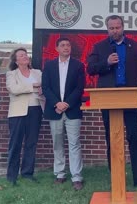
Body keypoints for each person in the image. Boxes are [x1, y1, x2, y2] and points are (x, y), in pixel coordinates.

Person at [87, 15, 137, 190]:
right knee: (112, 139)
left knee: (135, 138)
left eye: (117, 27)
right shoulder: (99, 47)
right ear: (107, 29)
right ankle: (115, 177)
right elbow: (90, 69)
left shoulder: (135, 46)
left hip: (130, 97)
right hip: (108, 98)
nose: (114, 30)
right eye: (111, 28)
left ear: (123, 27)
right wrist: (106, 63)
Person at [42, 38, 86, 191]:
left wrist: (66, 103)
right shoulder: (48, 65)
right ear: (57, 48)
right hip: (55, 111)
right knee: (57, 143)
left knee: (74, 144)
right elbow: (45, 87)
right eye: (63, 45)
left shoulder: (79, 66)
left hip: (72, 110)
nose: (66, 47)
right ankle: (60, 174)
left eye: (68, 45)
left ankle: (77, 177)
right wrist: (57, 103)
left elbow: (80, 88)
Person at [5, 47, 45, 185]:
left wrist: (39, 89)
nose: (25, 57)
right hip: (17, 113)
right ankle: (12, 176)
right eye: (21, 56)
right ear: (16, 61)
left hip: (35, 110)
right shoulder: (11, 74)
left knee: (31, 143)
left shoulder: (37, 72)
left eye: (26, 55)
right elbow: (14, 89)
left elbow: (43, 87)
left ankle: (27, 173)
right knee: (15, 144)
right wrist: (33, 87)